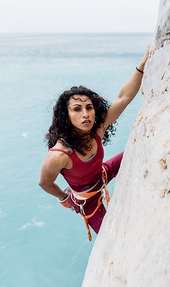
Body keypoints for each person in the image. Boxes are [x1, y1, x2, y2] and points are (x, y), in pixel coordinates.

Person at [39, 48, 149, 240]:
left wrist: (142, 65)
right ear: (67, 115)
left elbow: (123, 99)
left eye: (89, 107)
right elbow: (44, 183)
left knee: (143, 148)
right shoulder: (59, 155)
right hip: (88, 201)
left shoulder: (97, 129)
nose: (85, 114)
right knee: (112, 238)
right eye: (77, 109)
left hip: (102, 174)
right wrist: (64, 198)